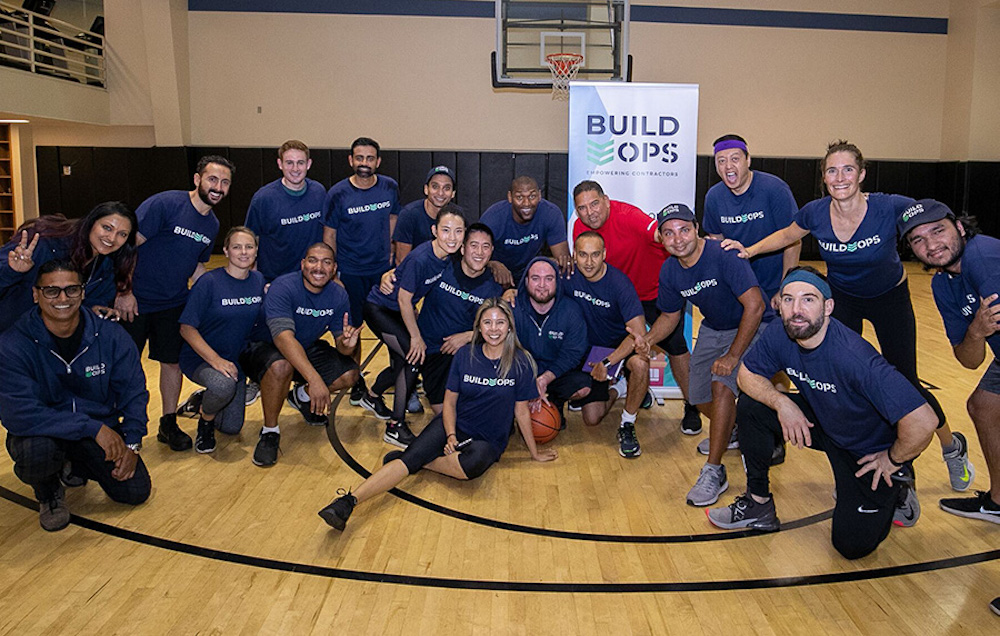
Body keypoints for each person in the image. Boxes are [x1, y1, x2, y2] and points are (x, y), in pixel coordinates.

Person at [722, 140, 973, 490]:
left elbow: (935, 222)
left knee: (906, 382)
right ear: (824, 177)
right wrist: (749, 250)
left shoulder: (890, 207)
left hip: (889, 299)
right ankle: (863, 451)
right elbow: (787, 235)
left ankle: (950, 446)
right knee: (841, 379)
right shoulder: (815, 212)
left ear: (862, 173)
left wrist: (962, 255)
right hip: (843, 300)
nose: (840, 177)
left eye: (848, 169)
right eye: (831, 170)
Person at [709, 267, 937, 560]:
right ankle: (758, 503)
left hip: (865, 450)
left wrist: (893, 459)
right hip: (824, 421)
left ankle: (898, 488)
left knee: (851, 547)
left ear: (828, 307)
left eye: (808, 300)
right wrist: (782, 403)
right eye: (788, 299)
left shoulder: (854, 358)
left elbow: (924, 420)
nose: (797, 310)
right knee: (752, 407)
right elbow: (748, 375)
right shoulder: (781, 332)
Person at [318, 298, 558, 531]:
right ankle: (348, 502)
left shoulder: (521, 362)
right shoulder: (465, 355)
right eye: (487, 322)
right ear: (478, 327)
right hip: (453, 424)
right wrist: (451, 435)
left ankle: (425, 462)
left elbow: (521, 411)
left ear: (509, 327)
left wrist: (534, 453)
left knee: (473, 464)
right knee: (406, 461)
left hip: (487, 440)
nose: (493, 329)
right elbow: (450, 403)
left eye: (500, 323)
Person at [0, 260, 151, 531]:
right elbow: (19, 414)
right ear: (36, 294)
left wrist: (132, 442)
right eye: (51, 291)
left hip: (94, 428)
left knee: (135, 491)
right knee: (37, 454)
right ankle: (48, 492)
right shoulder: (13, 344)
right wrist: (92, 428)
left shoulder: (111, 336)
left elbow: (134, 392)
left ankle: (73, 465)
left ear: (83, 293)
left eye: (71, 290)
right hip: (42, 431)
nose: (62, 298)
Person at [646, 204, 773, 506]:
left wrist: (732, 355)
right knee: (695, 394)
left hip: (753, 324)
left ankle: (714, 470)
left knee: (722, 384)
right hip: (714, 328)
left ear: (696, 227)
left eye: (684, 230)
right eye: (669, 233)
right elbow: (669, 315)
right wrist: (648, 339)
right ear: (661, 239)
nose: (678, 239)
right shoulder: (670, 270)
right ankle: (734, 428)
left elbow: (755, 307)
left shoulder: (723, 255)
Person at [115, 155, 233, 453]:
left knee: (172, 363)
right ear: (197, 179)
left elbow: (195, 265)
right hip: (135, 301)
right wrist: (124, 290)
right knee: (125, 367)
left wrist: (217, 291)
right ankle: (121, 427)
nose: (217, 187)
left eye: (224, 182)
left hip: (172, 303)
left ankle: (168, 422)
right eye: (212, 179)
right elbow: (129, 246)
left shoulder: (212, 224)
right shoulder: (165, 204)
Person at [899, 199, 999, 520]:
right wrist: (977, 330)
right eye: (918, 240)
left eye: (937, 231)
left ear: (959, 227)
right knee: (982, 406)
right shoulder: (943, 284)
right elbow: (968, 359)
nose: (931, 244)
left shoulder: (981, 257)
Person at [572, 180, 698, 429]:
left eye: (595, 204)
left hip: (655, 292)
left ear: (606, 200)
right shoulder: (579, 228)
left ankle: (692, 404)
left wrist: (696, 252)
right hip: (618, 297)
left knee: (675, 346)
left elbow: (663, 235)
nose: (590, 212)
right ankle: (632, 389)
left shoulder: (629, 216)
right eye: (583, 208)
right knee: (624, 342)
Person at [238, 243, 361, 466]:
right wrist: (314, 380)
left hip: (305, 345)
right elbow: (283, 338)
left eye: (326, 262)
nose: (319, 267)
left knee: (349, 376)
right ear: (303, 264)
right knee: (281, 366)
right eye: (313, 260)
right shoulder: (283, 287)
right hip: (261, 347)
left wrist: (347, 344)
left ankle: (300, 396)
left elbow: (341, 344)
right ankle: (270, 431)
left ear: (334, 268)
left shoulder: (338, 294)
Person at [360, 205, 466, 447]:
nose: (452, 237)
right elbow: (403, 299)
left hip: (398, 311)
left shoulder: (448, 258)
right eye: (446, 230)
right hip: (380, 309)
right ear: (434, 230)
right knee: (413, 356)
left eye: (458, 231)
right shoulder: (421, 258)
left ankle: (373, 395)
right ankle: (395, 427)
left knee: (403, 360)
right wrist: (416, 336)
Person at [321, 137, 399, 407]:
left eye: (370, 158)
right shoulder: (338, 194)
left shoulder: (390, 187)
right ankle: (356, 382)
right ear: (351, 160)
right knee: (351, 329)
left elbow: (392, 219)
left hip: (381, 272)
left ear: (377, 161)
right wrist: (333, 274)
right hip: (351, 272)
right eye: (359, 158)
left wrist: (391, 252)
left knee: (392, 328)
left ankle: (399, 376)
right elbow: (329, 234)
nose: (364, 163)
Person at [178, 227, 265, 453]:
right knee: (223, 384)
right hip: (202, 358)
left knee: (231, 427)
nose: (243, 252)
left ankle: (202, 400)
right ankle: (205, 421)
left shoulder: (258, 280)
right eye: (237, 247)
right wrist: (215, 360)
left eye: (249, 247)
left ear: (256, 251)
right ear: (226, 251)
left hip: (235, 362)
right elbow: (186, 328)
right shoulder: (209, 282)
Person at [563, 231, 649, 458]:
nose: (589, 262)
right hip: (583, 350)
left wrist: (608, 361)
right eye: (582, 255)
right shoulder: (567, 276)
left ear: (605, 254)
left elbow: (638, 333)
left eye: (595, 255)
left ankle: (628, 423)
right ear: (574, 255)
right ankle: (620, 388)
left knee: (640, 364)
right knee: (591, 419)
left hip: (616, 350)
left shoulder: (620, 284)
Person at [1, 201, 138, 332]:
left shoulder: (108, 266)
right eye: (107, 228)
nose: (112, 238)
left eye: (122, 234)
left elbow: (87, 302)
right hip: (12, 334)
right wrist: (13, 271)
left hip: (52, 340)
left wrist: (93, 309)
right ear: (90, 223)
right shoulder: (44, 243)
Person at [703, 134, 800, 301]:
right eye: (721, 161)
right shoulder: (713, 197)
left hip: (773, 286)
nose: (728, 166)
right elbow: (718, 241)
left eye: (735, 159)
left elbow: (794, 240)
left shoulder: (774, 189)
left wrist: (786, 287)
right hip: (738, 286)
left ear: (748, 160)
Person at [417, 223, 502, 414]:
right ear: (462, 248)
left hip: (465, 354)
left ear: (492, 251)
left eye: (486, 246)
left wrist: (468, 336)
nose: (479, 252)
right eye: (473, 245)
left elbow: (501, 329)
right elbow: (407, 279)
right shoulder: (442, 268)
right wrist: (388, 276)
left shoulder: (495, 287)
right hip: (432, 352)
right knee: (444, 415)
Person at [513, 257, 591, 423]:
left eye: (548, 279)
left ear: (557, 281)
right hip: (522, 376)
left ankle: (554, 402)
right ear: (526, 281)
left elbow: (572, 354)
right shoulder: (512, 308)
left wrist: (544, 379)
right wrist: (529, 383)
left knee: (583, 386)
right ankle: (517, 407)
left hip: (553, 375)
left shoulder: (571, 310)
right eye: (535, 278)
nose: (542, 285)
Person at [244, 140, 326, 283]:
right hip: (275, 280)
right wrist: (252, 279)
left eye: (300, 162)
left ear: (309, 164)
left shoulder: (319, 192)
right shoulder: (263, 199)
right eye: (289, 163)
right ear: (280, 164)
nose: (295, 168)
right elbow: (250, 239)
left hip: (310, 278)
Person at [481, 176, 570, 286]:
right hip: (499, 274)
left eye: (532, 196)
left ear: (539, 195)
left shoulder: (551, 213)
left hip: (530, 271)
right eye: (519, 197)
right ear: (510, 197)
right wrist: (493, 265)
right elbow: (474, 256)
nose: (526, 203)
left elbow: (563, 261)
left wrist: (550, 263)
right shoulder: (493, 218)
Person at [393, 165, 458, 263]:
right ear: (426, 189)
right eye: (435, 186)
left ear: (453, 193)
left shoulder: (458, 216)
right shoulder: (408, 215)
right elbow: (402, 262)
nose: (440, 193)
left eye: (446, 188)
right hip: (416, 272)